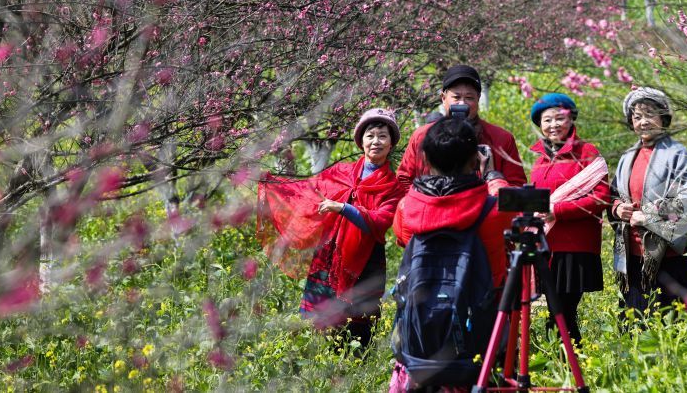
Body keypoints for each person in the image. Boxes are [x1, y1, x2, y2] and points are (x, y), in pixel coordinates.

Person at [257, 108, 406, 350]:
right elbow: (306, 192)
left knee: (358, 331)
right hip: (328, 257)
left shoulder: (393, 187)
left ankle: (354, 376)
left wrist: (343, 208)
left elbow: (379, 222)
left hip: (364, 264)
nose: (376, 141)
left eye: (382, 136)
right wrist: (273, 184)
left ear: (391, 143)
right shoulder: (341, 172)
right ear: (361, 141)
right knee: (318, 327)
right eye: (370, 135)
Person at [389, 117, 511, 392]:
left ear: (428, 161)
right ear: (473, 160)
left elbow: (401, 237)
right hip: (483, 332)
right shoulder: (494, 210)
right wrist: (492, 175)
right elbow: (509, 208)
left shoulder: (408, 208)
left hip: (421, 337)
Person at [610, 88, 687, 324]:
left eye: (649, 114)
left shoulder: (677, 153)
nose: (643, 121)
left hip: (669, 258)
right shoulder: (627, 156)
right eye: (637, 117)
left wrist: (647, 216)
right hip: (632, 259)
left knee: (674, 329)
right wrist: (618, 208)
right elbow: (613, 194)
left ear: (663, 118)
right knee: (635, 327)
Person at [527, 93, 611, 345]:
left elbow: (601, 198)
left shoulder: (587, 152)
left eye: (559, 118)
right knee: (556, 312)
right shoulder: (540, 160)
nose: (553, 125)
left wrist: (558, 211)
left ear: (571, 119)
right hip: (547, 247)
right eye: (547, 120)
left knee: (562, 311)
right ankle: (566, 365)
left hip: (574, 248)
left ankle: (569, 369)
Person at [397, 64, 525, 191]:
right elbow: (404, 179)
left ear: (478, 99)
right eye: (456, 97)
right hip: (432, 208)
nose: (462, 103)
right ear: (443, 98)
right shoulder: (422, 136)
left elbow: (516, 185)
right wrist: (424, 200)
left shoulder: (501, 139)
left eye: (469, 98)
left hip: (482, 208)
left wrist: (491, 181)